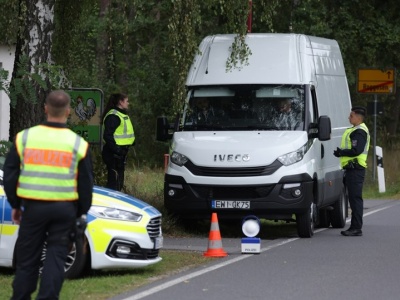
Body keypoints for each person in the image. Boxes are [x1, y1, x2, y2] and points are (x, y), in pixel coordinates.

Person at [3, 90, 93, 299]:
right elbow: (86, 184)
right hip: (64, 210)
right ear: (68, 112)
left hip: (33, 208)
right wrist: (80, 212)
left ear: (45, 108)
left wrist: (16, 205)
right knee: (56, 258)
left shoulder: (24, 138)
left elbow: (9, 176)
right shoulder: (78, 144)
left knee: (27, 260)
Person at [334, 106, 370, 236]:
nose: (349, 118)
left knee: (355, 199)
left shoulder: (359, 132)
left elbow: (357, 150)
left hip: (355, 169)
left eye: (351, 116)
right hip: (352, 169)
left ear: (357, 117)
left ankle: (356, 228)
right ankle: (355, 227)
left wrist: (341, 153)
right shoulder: (356, 130)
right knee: (354, 199)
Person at [101, 93, 135, 191]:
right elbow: (107, 135)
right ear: (120, 102)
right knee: (114, 184)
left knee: (118, 183)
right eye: (126, 101)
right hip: (114, 154)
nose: (128, 103)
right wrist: (117, 150)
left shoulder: (121, 114)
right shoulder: (113, 116)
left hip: (119, 153)